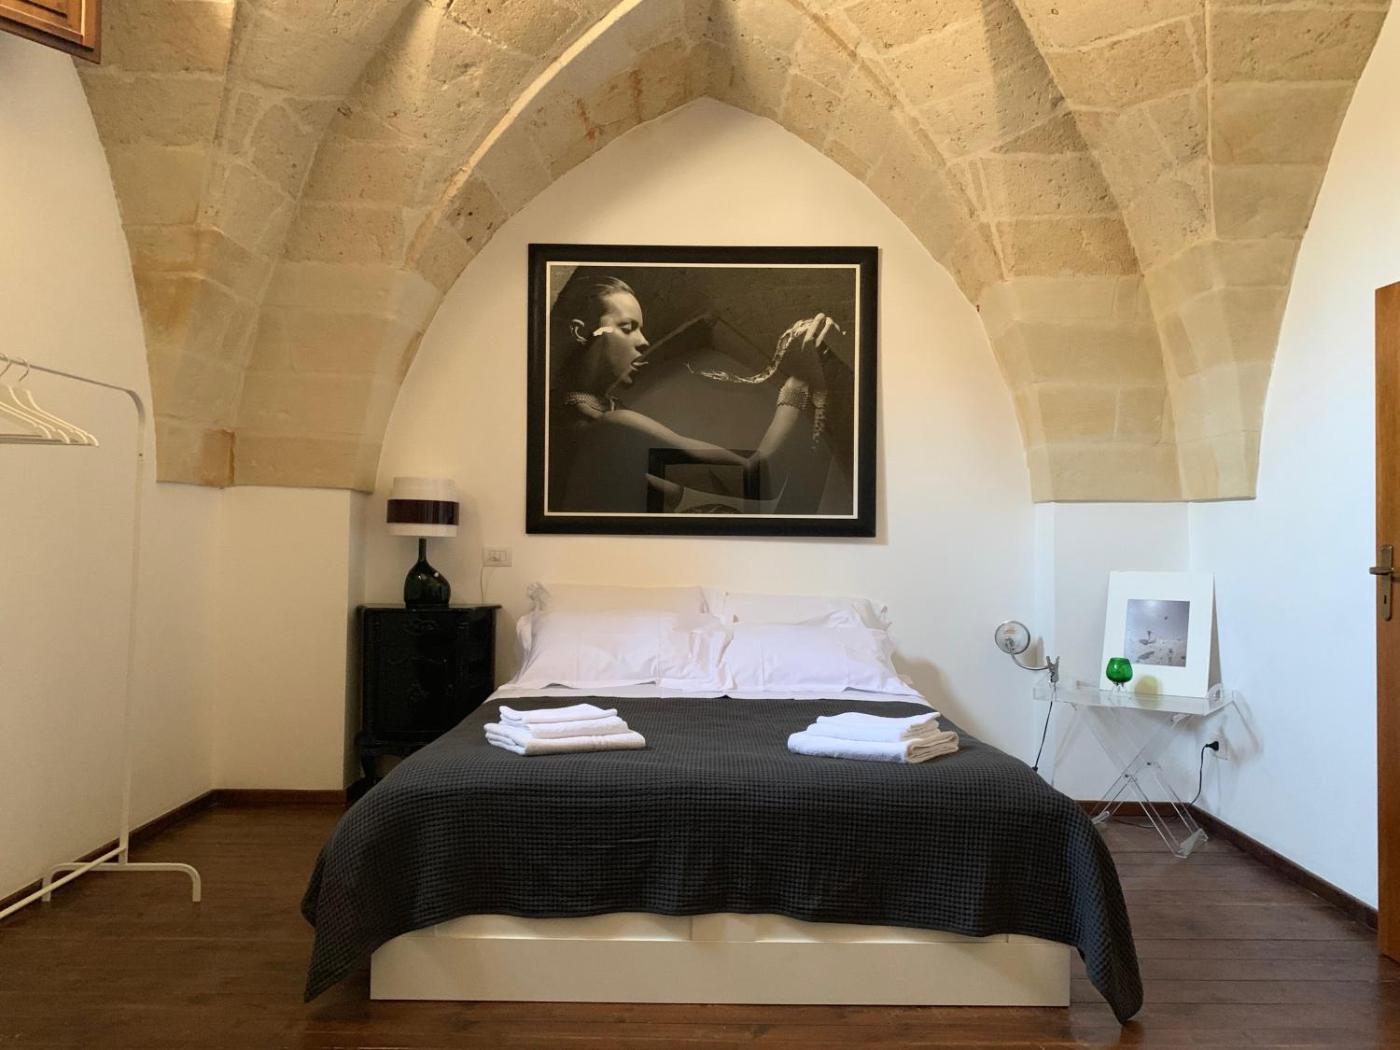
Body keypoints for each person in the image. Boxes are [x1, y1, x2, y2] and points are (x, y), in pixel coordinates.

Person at [546, 273, 833, 514]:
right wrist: (796, 387)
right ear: (582, 332)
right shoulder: (609, 427)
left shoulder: (575, 420)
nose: (644, 341)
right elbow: (759, 480)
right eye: (627, 328)